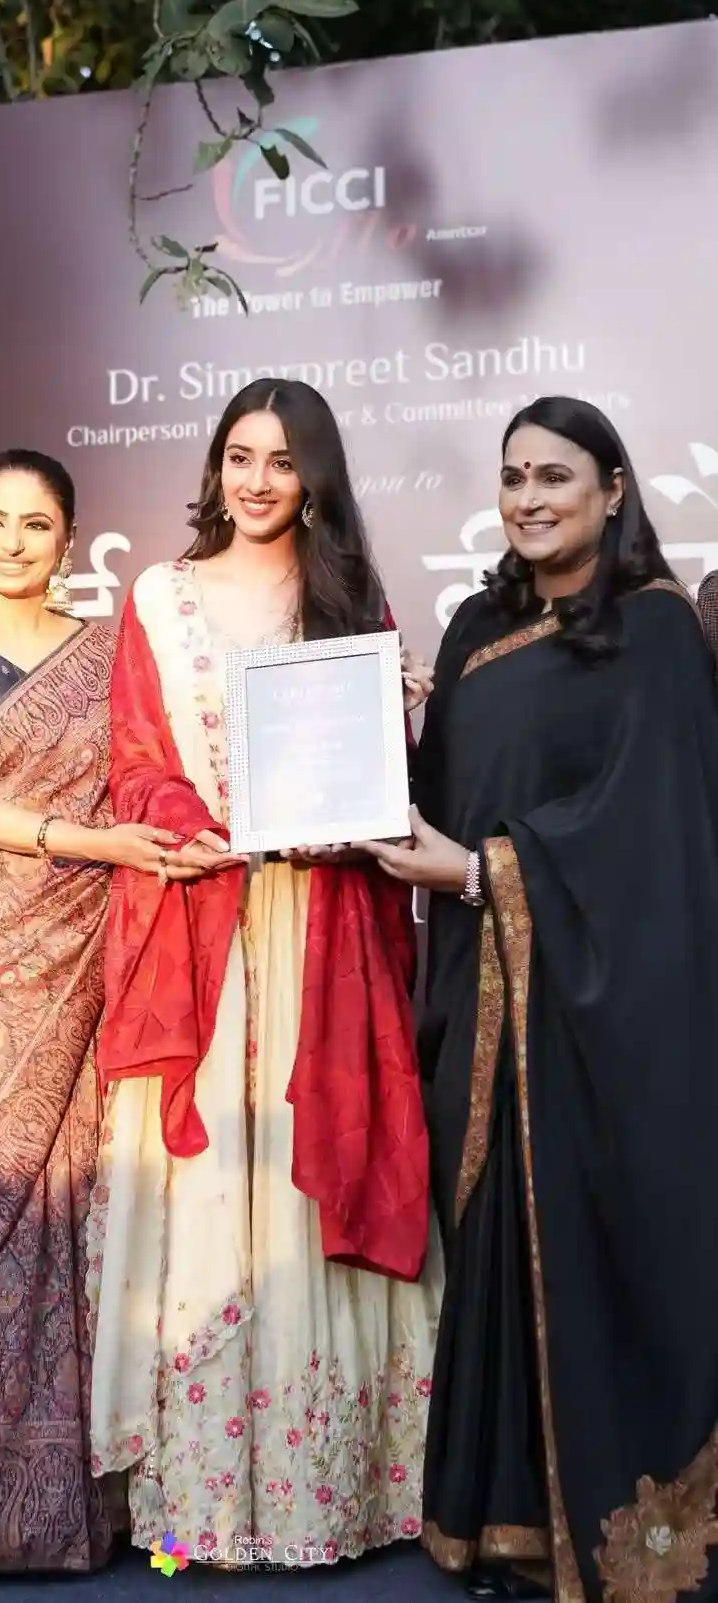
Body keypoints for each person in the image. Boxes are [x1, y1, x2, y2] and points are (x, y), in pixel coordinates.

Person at [86, 379, 444, 1569]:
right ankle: (204, 1502)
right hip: (204, 925)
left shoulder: (349, 597)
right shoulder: (159, 594)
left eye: (281, 462)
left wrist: (393, 724)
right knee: (212, 1193)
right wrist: (192, 822)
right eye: (238, 456)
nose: (254, 480)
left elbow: (377, 777)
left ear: (313, 479)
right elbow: (135, 758)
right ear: (214, 467)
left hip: (319, 930)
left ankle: (333, 1494)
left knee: (308, 1169)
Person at [369, 396, 718, 1603]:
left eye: (554, 476)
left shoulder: (652, 629)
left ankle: (617, 1530)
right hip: (481, 990)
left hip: (603, 1006)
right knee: (491, 1239)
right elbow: (440, 797)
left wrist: (480, 872)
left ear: (612, 490)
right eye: (511, 475)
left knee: (585, 1238)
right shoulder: (477, 623)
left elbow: (649, 829)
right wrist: (381, 726)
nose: (526, 497)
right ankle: (504, 1517)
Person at [0, 448, 192, 1575]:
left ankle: (80, 1503)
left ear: (69, 539)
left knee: (79, 1207)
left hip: (82, 948)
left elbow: (177, 757)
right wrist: (88, 841)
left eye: (34, 524)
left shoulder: (108, 653)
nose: (11, 542)